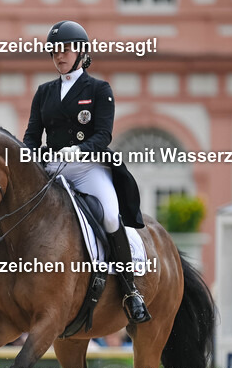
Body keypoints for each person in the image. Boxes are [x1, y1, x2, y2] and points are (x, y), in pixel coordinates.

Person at [23, 20, 150, 324]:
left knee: (108, 215)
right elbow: (31, 135)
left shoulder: (98, 89)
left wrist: (78, 150)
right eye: (54, 51)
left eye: (65, 50)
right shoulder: (44, 92)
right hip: (52, 168)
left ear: (80, 52)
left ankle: (130, 289)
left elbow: (103, 135)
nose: (59, 56)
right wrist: (31, 154)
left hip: (88, 168)